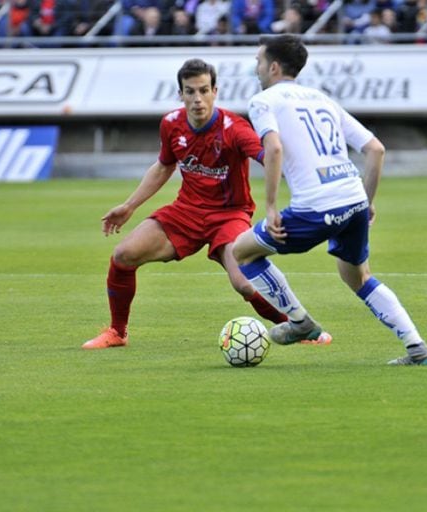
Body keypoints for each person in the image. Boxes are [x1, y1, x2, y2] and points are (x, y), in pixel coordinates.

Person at [232, 35, 427, 366]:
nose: (256, 69)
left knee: (241, 251)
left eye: (258, 61)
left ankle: (299, 322)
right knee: (358, 277)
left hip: (316, 207)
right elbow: (375, 149)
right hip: (353, 199)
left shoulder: (263, 101)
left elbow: (273, 148)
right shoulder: (322, 99)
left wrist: (270, 206)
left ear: (272, 66)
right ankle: (417, 347)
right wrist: (366, 201)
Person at [82, 58, 289, 349]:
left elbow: (270, 159)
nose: (198, 99)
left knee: (243, 283)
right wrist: (129, 206)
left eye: (204, 90)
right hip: (187, 211)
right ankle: (118, 332)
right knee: (123, 255)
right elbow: (164, 166)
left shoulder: (234, 128)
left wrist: (276, 196)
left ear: (215, 91)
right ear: (180, 94)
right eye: (190, 92)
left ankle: (295, 327)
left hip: (229, 215)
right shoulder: (171, 124)